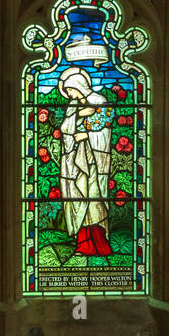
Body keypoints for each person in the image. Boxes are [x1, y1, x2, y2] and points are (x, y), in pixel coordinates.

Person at [57, 66, 113, 257]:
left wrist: (86, 135)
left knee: (93, 198)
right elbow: (65, 129)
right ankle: (82, 244)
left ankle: (99, 244)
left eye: (70, 89)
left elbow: (105, 131)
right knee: (78, 199)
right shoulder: (73, 106)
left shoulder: (99, 101)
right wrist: (78, 115)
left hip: (93, 161)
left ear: (78, 86)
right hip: (75, 160)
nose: (69, 94)